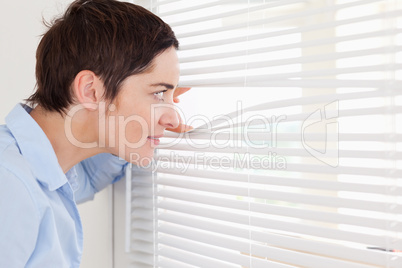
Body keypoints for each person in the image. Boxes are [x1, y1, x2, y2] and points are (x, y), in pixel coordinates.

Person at [0, 0, 191, 267]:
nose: (173, 118)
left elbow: (89, 177)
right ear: (91, 91)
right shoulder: (9, 184)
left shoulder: (53, 165)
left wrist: (153, 117)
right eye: (158, 92)